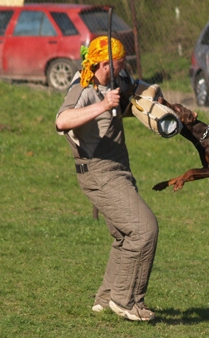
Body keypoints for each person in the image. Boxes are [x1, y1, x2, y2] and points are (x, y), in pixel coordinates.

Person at [55, 36, 158, 322]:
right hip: (98, 172)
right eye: (120, 64)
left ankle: (106, 297)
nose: (125, 69)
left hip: (119, 168)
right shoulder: (83, 88)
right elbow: (61, 121)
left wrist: (155, 100)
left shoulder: (118, 77)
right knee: (144, 230)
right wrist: (103, 105)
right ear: (103, 64)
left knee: (124, 235)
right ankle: (126, 301)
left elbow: (134, 87)